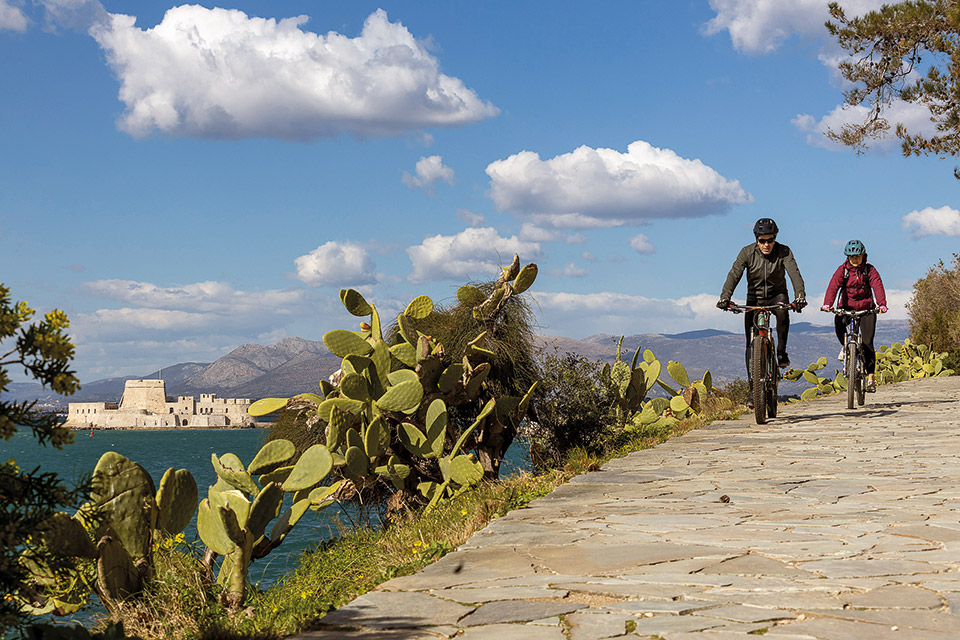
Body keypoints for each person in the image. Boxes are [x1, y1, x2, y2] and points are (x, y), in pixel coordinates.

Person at [717, 218, 807, 382]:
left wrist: (800, 296)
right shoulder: (747, 252)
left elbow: (795, 274)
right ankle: (753, 388)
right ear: (756, 239)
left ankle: (781, 352)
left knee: (782, 314)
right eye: (762, 240)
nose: (766, 244)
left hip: (777, 295)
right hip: (754, 298)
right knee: (750, 345)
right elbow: (734, 274)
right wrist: (725, 297)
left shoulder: (784, 252)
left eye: (770, 240)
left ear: (775, 238)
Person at [821, 239, 887, 392]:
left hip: (866, 310)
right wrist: (827, 304)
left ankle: (870, 378)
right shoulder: (842, 270)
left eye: (857, 256)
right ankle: (845, 347)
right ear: (847, 257)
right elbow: (833, 286)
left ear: (864, 255)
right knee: (838, 324)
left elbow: (877, 285)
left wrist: (881, 304)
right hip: (846, 308)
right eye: (851, 257)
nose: (854, 259)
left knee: (868, 342)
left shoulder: (869, 270)